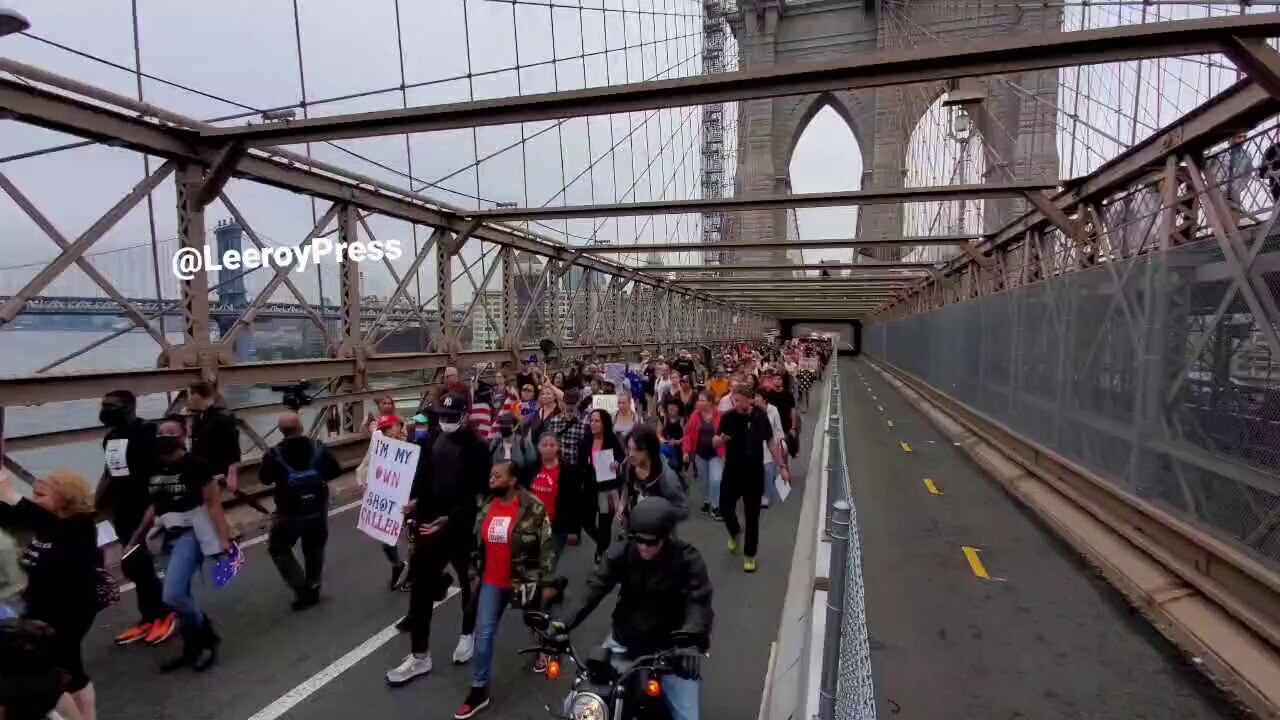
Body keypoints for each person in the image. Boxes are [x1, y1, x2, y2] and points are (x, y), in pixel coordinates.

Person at [554, 497, 712, 720]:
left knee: (688, 717)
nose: (644, 547)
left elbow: (699, 602)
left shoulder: (688, 560)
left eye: (651, 542)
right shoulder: (623, 551)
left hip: (671, 649)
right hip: (625, 640)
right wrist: (563, 622)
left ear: (666, 536)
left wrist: (690, 642)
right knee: (575, 705)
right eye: (640, 540)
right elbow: (595, 586)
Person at [388, 393, 490, 686]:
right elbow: (426, 478)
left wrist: (452, 518)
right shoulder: (434, 439)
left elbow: (479, 493)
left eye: (450, 417)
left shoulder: (478, 449)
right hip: (431, 525)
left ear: (464, 416)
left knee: (470, 580)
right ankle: (419, 655)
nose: (444, 422)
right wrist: (415, 503)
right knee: (420, 587)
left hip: (462, 528)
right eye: (441, 417)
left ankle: (467, 633)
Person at [126, 416, 232, 672]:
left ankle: (207, 638)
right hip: (162, 537)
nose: (165, 437)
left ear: (184, 435)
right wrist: (137, 536)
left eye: (171, 433)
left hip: (190, 533)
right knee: (180, 595)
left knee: (172, 594)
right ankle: (192, 647)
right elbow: (154, 504)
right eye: (161, 433)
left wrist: (223, 539)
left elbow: (213, 504)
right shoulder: (153, 467)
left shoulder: (197, 465)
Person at [453, 462, 554, 719]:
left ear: (512, 481)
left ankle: (546, 648)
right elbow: (477, 541)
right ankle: (478, 690)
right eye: (491, 475)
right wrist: (475, 573)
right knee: (483, 633)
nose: (492, 478)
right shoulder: (487, 506)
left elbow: (545, 547)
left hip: (524, 580)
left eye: (497, 476)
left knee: (535, 622)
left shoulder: (533, 507)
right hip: (492, 582)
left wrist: (545, 582)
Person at [0, 470, 99, 720]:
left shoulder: (80, 525)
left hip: (69, 610)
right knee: (45, 671)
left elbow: (33, 515)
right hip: (39, 608)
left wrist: (8, 490)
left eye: (45, 492)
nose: (37, 493)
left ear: (66, 497)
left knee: (67, 671)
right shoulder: (44, 522)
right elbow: (11, 514)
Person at [95, 390, 173, 646]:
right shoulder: (111, 439)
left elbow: (165, 469)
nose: (106, 410)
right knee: (134, 565)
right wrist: (96, 504)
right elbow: (109, 473)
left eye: (112, 405)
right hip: (123, 510)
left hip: (149, 508)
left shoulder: (150, 433)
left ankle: (166, 613)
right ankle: (148, 617)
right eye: (104, 405)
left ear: (129, 408)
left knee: (152, 564)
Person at [260, 412, 343, 611]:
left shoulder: (273, 454)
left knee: (278, 547)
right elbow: (336, 470)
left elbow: (264, 479)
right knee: (314, 547)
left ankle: (301, 586)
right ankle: (313, 583)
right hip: (317, 509)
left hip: (288, 512)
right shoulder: (318, 448)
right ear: (301, 427)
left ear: (281, 430)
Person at [717, 388, 785, 573]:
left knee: (752, 516)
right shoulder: (728, 418)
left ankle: (749, 555)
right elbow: (717, 440)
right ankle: (734, 532)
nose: (736, 404)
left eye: (739, 400)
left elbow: (771, 442)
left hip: (754, 472)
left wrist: (781, 466)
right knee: (724, 506)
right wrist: (720, 440)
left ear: (749, 399)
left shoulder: (760, 417)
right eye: (734, 401)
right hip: (732, 471)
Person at [358, 415, 410, 590]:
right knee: (385, 539)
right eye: (385, 429)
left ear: (399, 427)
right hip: (388, 500)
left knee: (413, 539)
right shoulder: (379, 446)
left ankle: (414, 575)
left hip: (408, 500)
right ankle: (397, 565)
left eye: (391, 428)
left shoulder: (409, 448)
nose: (388, 432)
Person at [524, 434, 580, 571]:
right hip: (531, 526)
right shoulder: (530, 468)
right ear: (538, 447)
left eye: (552, 445)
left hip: (556, 528)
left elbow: (574, 501)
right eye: (545, 445)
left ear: (558, 447)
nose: (548, 448)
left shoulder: (567, 471)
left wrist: (574, 530)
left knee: (548, 565)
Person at [577, 409, 625, 560]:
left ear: (604, 423)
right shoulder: (585, 441)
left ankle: (600, 553)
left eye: (597, 420)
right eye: (591, 420)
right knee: (585, 520)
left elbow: (621, 457)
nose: (593, 423)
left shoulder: (612, 440)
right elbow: (581, 464)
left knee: (604, 523)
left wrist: (617, 464)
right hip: (590, 487)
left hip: (607, 489)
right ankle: (603, 544)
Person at [619, 426, 689, 524]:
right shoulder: (628, 465)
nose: (631, 454)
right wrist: (622, 504)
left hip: (658, 532)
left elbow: (683, 510)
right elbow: (627, 485)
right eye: (629, 448)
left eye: (637, 450)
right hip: (636, 527)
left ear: (649, 450)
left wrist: (657, 512)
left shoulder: (666, 478)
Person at [186, 382, 241, 493]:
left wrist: (232, 470)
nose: (189, 398)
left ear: (198, 395)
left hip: (216, 470)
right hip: (201, 469)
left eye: (191, 394)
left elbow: (233, 446)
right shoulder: (198, 416)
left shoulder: (222, 417)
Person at [682, 390, 724, 521]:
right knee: (704, 480)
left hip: (716, 454)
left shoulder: (720, 415)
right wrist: (686, 451)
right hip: (700, 454)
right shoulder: (695, 415)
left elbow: (727, 434)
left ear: (710, 402)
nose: (698, 402)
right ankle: (707, 501)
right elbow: (688, 434)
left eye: (702, 400)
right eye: (698, 400)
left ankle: (716, 506)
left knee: (716, 479)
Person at [754, 392, 788, 510]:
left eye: (758, 400)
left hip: (771, 445)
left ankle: (766, 496)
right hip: (757, 446)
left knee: (768, 472)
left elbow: (778, 429)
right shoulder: (753, 413)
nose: (755, 402)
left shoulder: (773, 411)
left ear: (765, 401)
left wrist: (779, 441)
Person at [660, 400, 685, 471]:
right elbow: (661, 433)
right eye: (669, 409)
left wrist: (677, 441)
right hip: (666, 446)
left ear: (678, 409)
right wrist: (662, 439)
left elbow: (687, 437)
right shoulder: (666, 419)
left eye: (673, 408)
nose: (671, 410)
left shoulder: (682, 420)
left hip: (677, 448)